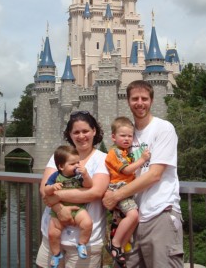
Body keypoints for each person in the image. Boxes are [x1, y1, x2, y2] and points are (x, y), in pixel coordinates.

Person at [103, 80, 184, 268]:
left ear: (152, 100)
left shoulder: (163, 128)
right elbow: (116, 170)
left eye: (144, 98)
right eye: (135, 99)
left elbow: (155, 174)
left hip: (160, 214)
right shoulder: (128, 134)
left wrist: (116, 196)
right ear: (128, 101)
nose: (140, 103)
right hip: (133, 217)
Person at [36, 111, 109, 268]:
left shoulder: (103, 159)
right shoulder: (60, 156)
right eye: (76, 132)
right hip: (52, 238)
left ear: (94, 131)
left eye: (85, 131)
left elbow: (94, 193)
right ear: (70, 134)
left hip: (86, 242)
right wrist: (59, 209)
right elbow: (44, 189)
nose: (81, 136)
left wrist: (56, 196)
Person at [105, 116, 150, 267]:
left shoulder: (124, 152)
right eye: (122, 135)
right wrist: (143, 159)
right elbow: (127, 169)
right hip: (119, 190)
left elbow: (132, 159)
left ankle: (119, 248)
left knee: (133, 218)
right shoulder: (115, 153)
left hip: (126, 191)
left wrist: (145, 151)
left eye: (130, 136)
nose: (127, 139)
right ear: (113, 137)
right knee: (133, 215)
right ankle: (115, 243)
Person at [45, 145, 93, 266]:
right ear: (61, 166)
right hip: (57, 210)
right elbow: (45, 190)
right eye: (72, 164)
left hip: (78, 208)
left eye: (78, 162)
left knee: (87, 223)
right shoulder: (55, 176)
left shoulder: (79, 176)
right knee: (53, 233)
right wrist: (52, 188)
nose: (77, 166)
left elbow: (88, 185)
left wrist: (86, 175)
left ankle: (82, 244)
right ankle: (56, 254)